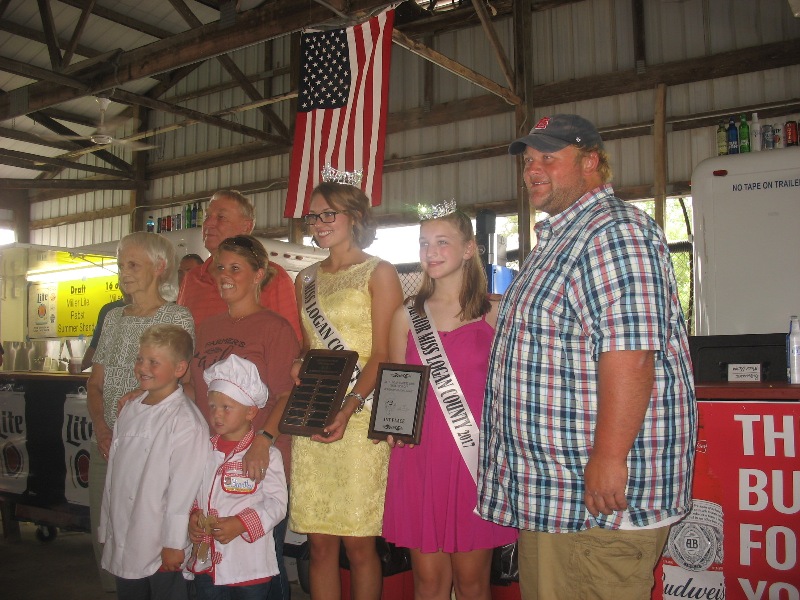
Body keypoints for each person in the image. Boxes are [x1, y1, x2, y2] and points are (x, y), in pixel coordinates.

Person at [477, 114, 697, 600]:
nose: (533, 170)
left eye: (548, 158)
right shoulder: (563, 238)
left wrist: (609, 457)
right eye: (528, 161)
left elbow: (630, 353)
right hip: (558, 493)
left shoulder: (613, 231)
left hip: (596, 499)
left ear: (591, 162)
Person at [382, 206, 517, 600]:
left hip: (473, 459)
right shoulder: (406, 316)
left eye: (443, 242)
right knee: (428, 583)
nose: (431, 251)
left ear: (468, 249)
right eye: (424, 243)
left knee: (473, 583)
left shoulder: (494, 313)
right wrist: (391, 427)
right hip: (419, 458)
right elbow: (396, 388)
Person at [290, 173, 403, 600]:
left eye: (327, 214)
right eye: (312, 216)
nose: (318, 223)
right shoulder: (305, 279)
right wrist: (299, 361)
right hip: (315, 411)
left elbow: (384, 353)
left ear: (354, 216)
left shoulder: (380, 272)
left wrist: (350, 406)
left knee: (358, 544)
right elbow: (308, 346)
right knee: (318, 544)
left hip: (360, 416)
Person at [186, 234, 299, 600]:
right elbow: (192, 390)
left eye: (235, 268)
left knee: (262, 567)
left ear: (258, 274)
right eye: (220, 267)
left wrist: (263, 443)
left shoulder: (274, 328)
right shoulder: (207, 327)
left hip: (257, 464)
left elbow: (287, 395)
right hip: (212, 458)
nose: (225, 275)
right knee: (213, 565)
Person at [86, 231, 196, 593]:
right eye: (121, 265)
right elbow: (95, 384)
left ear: (159, 267)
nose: (124, 272)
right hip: (108, 445)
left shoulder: (177, 316)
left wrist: (143, 396)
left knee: (152, 538)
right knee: (110, 535)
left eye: (133, 264)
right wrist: (103, 429)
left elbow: (183, 382)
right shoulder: (113, 317)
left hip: (153, 447)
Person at [99, 324, 209, 600]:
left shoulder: (185, 422)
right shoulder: (129, 409)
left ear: (179, 368)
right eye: (140, 359)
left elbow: (183, 489)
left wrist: (174, 542)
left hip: (161, 544)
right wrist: (107, 526)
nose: (142, 368)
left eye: (153, 362)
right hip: (124, 532)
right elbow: (114, 477)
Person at [187, 354, 288, 600]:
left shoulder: (268, 456)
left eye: (226, 407)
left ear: (250, 411)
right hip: (208, 565)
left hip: (249, 567)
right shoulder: (202, 450)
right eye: (212, 406)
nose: (217, 415)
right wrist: (193, 516)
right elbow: (192, 490)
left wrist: (241, 524)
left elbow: (276, 504)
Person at [177, 190, 301, 341]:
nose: (208, 223)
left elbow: (290, 342)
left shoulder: (273, 276)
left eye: (221, 217)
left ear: (246, 227)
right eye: (207, 216)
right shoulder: (192, 278)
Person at [82, 294, 129, 371]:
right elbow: (95, 346)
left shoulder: (149, 310)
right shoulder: (109, 310)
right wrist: (80, 366)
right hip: (112, 373)